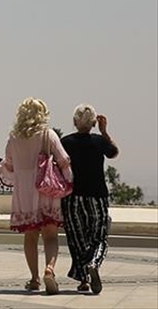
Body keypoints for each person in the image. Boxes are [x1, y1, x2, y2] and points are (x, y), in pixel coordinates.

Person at [0, 97, 72, 295]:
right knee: (50, 235)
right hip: (46, 189)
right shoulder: (48, 135)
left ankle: (34, 278)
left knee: (30, 236)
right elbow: (63, 160)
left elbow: (9, 164)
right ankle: (50, 269)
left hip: (24, 191)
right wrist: (69, 181)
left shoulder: (13, 137)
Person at [61, 105, 119, 294]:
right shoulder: (99, 141)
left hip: (73, 197)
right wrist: (105, 132)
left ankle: (83, 279)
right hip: (97, 196)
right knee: (99, 237)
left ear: (75, 121)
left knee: (77, 238)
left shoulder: (66, 142)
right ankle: (94, 263)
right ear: (94, 123)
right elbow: (114, 152)